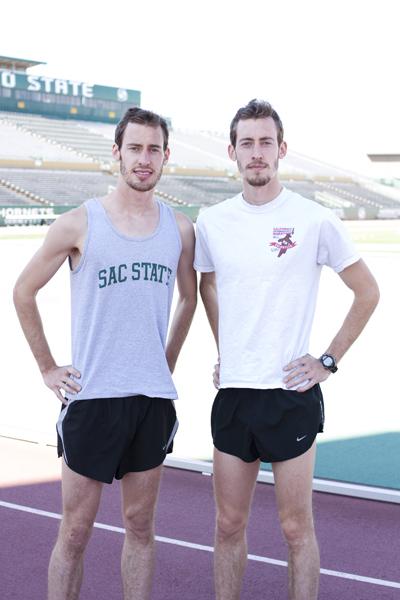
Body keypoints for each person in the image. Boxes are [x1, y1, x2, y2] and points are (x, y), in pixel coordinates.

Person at [194, 99, 379, 600]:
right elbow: (208, 288)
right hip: (234, 395)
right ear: (233, 152)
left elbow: (368, 291)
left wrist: (327, 361)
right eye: (247, 143)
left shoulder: (313, 219)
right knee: (228, 524)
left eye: (266, 142)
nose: (257, 153)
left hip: (290, 395)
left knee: (296, 529)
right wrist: (226, 348)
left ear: (282, 149)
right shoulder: (211, 223)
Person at [13, 107, 197, 600]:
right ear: (116, 153)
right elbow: (23, 291)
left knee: (140, 526)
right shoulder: (79, 223)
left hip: (151, 401)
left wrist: (168, 360)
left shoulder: (178, 229)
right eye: (134, 148)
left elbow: (190, 297)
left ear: (165, 157)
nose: (144, 158)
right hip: (93, 398)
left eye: (153, 149)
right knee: (75, 531)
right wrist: (48, 367)